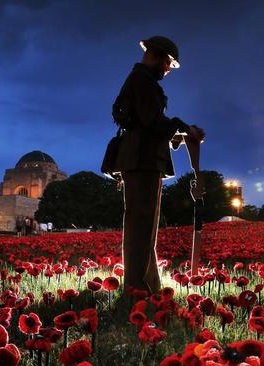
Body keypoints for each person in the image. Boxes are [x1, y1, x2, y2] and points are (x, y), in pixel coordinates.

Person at [114, 36, 204, 294]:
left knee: (144, 229)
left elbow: (149, 124)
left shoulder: (142, 81)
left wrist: (180, 133)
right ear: (153, 54)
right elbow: (152, 121)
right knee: (141, 228)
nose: (167, 69)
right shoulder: (142, 81)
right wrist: (182, 127)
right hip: (142, 160)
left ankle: (149, 286)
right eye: (166, 62)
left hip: (143, 158)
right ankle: (137, 289)